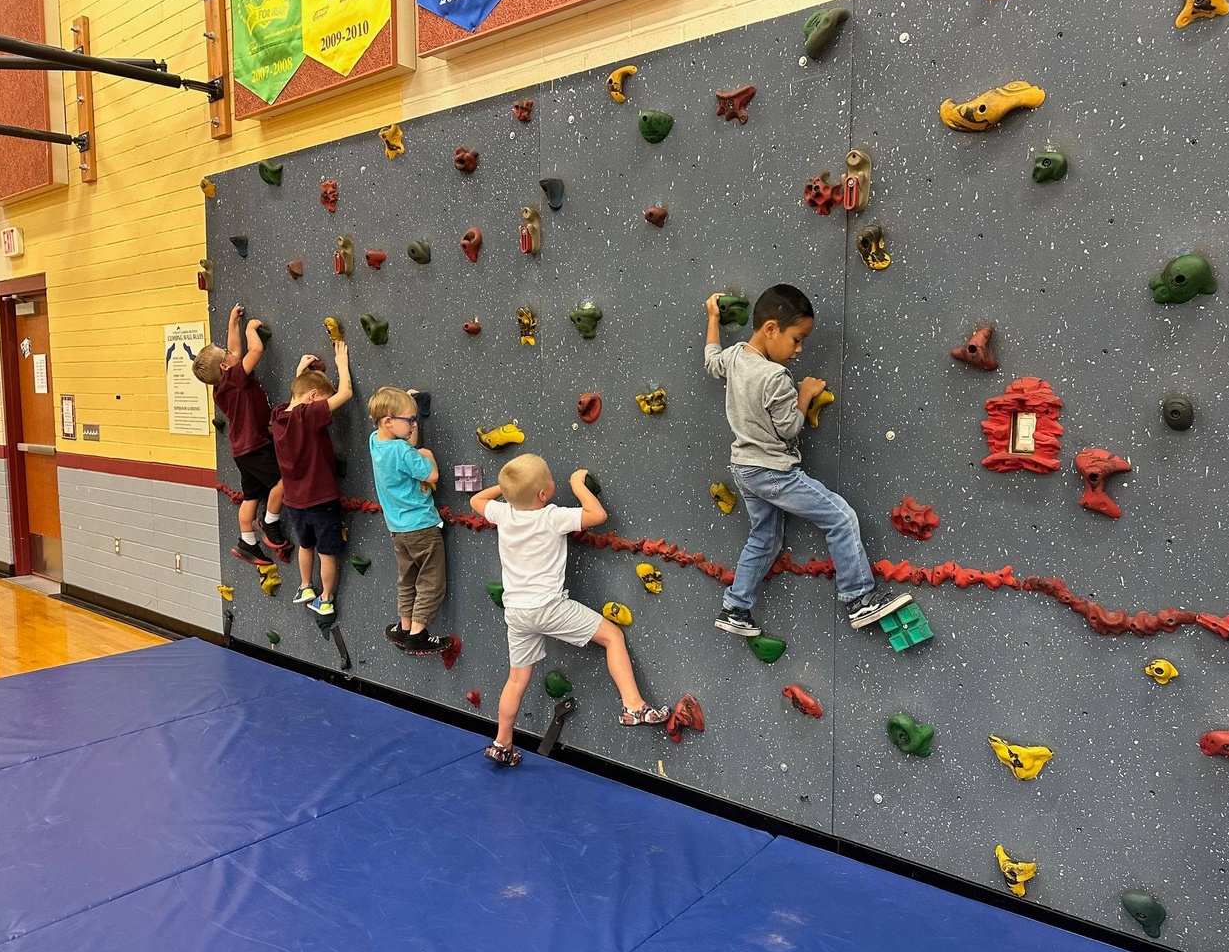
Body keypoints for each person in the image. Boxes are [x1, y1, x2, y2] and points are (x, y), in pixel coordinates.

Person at [704, 285, 911, 635]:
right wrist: (805, 393)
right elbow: (789, 429)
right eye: (797, 339)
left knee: (764, 539)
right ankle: (860, 598)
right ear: (771, 329)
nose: (799, 350)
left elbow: (711, 361)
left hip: (744, 469)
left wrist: (712, 319)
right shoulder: (776, 377)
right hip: (773, 471)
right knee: (840, 517)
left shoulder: (736, 356)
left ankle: (735, 608)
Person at [470, 454, 669, 767]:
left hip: (517, 612)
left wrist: (507, 491)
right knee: (612, 636)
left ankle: (502, 743)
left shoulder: (503, 514)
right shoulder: (551, 516)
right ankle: (632, 705)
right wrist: (577, 484)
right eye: (550, 479)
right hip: (548, 608)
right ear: (544, 494)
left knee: (516, 680)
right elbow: (597, 514)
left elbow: (477, 499)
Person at [191, 304, 291, 566]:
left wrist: (232, 322)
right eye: (225, 353)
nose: (231, 351)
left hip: (241, 449)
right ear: (226, 366)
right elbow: (255, 350)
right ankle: (270, 524)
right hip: (255, 445)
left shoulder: (222, 385)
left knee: (251, 494)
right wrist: (249, 329)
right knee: (283, 480)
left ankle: (247, 541)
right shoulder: (236, 376)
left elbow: (234, 351)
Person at [367, 385, 454, 654]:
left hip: (398, 529)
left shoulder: (375, 440)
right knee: (431, 581)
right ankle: (418, 633)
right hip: (422, 527)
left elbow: (404, 441)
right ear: (389, 422)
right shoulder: (403, 453)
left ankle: (404, 627)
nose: (413, 425)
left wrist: (407, 405)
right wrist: (427, 456)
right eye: (410, 421)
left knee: (407, 579)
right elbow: (431, 475)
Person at [272, 342, 352, 617]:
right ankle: (326, 597)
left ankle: (305, 585)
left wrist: (299, 372)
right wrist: (342, 363)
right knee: (327, 552)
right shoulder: (308, 415)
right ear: (314, 397)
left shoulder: (279, 417)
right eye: (322, 401)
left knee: (306, 544)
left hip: (294, 501)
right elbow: (345, 393)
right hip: (321, 498)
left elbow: (297, 395)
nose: (325, 409)